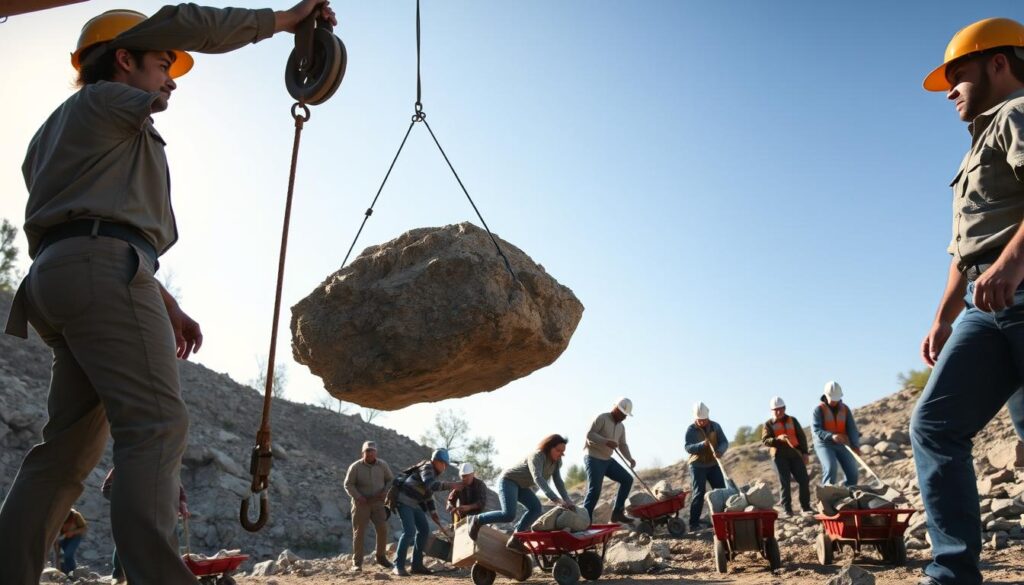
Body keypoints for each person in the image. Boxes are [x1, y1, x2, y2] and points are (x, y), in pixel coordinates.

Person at [0, 3, 338, 583]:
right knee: (156, 426)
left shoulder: (61, 130)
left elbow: (90, 218)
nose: (172, 77)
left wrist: (165, 301)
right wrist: (284, 21)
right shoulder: (106, 101)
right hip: (101, 271)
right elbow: (182, 19)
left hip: (61, 277)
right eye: (160, 62)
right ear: (123, 59)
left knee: (64, 454)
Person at [914, 17, 1024, 585]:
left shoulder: (1017, 113)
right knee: (934, 425)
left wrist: (1011, 262)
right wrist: (942, 319)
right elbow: (966, 250)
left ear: (998, 63)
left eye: (958, 75)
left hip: (1020, 287)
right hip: (987, 307)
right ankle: (953, 573)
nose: (951, 89)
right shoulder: (978, 144)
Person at [469, 434, 575, 553]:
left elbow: (559, 482)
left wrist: (567, 500)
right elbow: (538, 478)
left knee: (536, 508)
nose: (561, 454)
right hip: (508, 481)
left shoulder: (556, 462)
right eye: (558, 450)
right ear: (549, 447)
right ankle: (478, 519)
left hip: (522, 486)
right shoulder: (537, 456)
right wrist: (555, 499)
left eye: (563, 451)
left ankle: (516, 538)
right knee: (508, 515)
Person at [102, 467, 190, 582]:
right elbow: (107, 489)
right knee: (127, 540)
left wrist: (182, 502)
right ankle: (118, 575)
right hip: (131, 511)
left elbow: (177, 486)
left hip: (161, 511)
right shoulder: (125, 463)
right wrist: (127, 500)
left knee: (167, 539)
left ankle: (166, 575)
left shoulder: (164, 463)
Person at [392, 448, 458, 577]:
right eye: (442, 463)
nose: (444, 467)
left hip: (415, 504)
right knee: (409, 531)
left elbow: (428, 495)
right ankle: (398, 566)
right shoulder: (427, 468)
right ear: (435, 461)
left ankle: (416, 565)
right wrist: (451, 485)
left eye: (445, 464)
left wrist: (433, 512)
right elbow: (431, 485)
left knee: (423, 531)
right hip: (404, 501)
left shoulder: (433, 472)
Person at [582, 398, 635, 524]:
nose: (624, 418)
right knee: (595, 490)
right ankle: (584, 520)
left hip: (607, 460)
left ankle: (617, 513)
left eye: (626, 415)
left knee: (627, 479)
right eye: (623, 414)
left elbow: (622, 445)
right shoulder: (601, 418)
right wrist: (606, 442)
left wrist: (630, 458)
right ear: (616, 409)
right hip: (593, 458)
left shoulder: (621, 427)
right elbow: (589, 435)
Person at [343, 441, 394, 572]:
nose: (370, 453)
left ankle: (381, 557)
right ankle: (357, 563)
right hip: (361, 504)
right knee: (359, 533)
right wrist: (358, 496)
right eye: (367, 451)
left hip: (378, 503)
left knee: (383, 529)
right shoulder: (355, 467)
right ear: (362, 453)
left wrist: (385, 492)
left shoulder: (382, 465)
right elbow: (348, 484)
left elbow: (390, 480)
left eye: (372, 451)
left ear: (376, 452)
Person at [760, 396, 811, 516]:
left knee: (804, 480)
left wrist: (805, 453)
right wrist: (778, 439)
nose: (778, 412)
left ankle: (806, 507)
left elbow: (801, 437)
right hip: (779, 457)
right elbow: (765, 440)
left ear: (784, 408)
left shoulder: (793, 420)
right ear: (771, 410)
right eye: (775, 410)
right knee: (785, 482)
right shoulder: (768, 424)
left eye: (781, 409)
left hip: (795, 454)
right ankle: (787, 509)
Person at [684, 401, 728, 531]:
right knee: (699, 493)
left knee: (720, 491)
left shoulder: (716, 427)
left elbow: (724, 442)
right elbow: (688, 447)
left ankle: (723, 519)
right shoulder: (691, 430)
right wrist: (701, 445)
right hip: (697, 465)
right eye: (699, 420)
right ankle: (694, 524)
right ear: (695, 418)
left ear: (708, 417)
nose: (702, 422)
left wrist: (720, 450)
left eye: (704, 420)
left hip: (713, 464)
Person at [811, 381, 861, 486]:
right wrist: (831, 436)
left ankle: (849, 493)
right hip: (824, 444)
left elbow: (852, 428)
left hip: (842, 443)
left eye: (836, 398)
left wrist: (855, 445)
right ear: (825, 395)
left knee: (853, 471)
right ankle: (828, 495)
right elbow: (816, 430)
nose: (835, 401)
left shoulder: (845, 409)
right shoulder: (818, 410)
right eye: (832, 398)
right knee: (831, 467)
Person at [56, 509, 87, 577]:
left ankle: (72, 573)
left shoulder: (76, 515)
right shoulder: (57, 515)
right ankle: (64, 573)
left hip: (75, 537)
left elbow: (84, 528)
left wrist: (73, 532)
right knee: (60, 556)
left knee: (68, 554)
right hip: (62, 537)